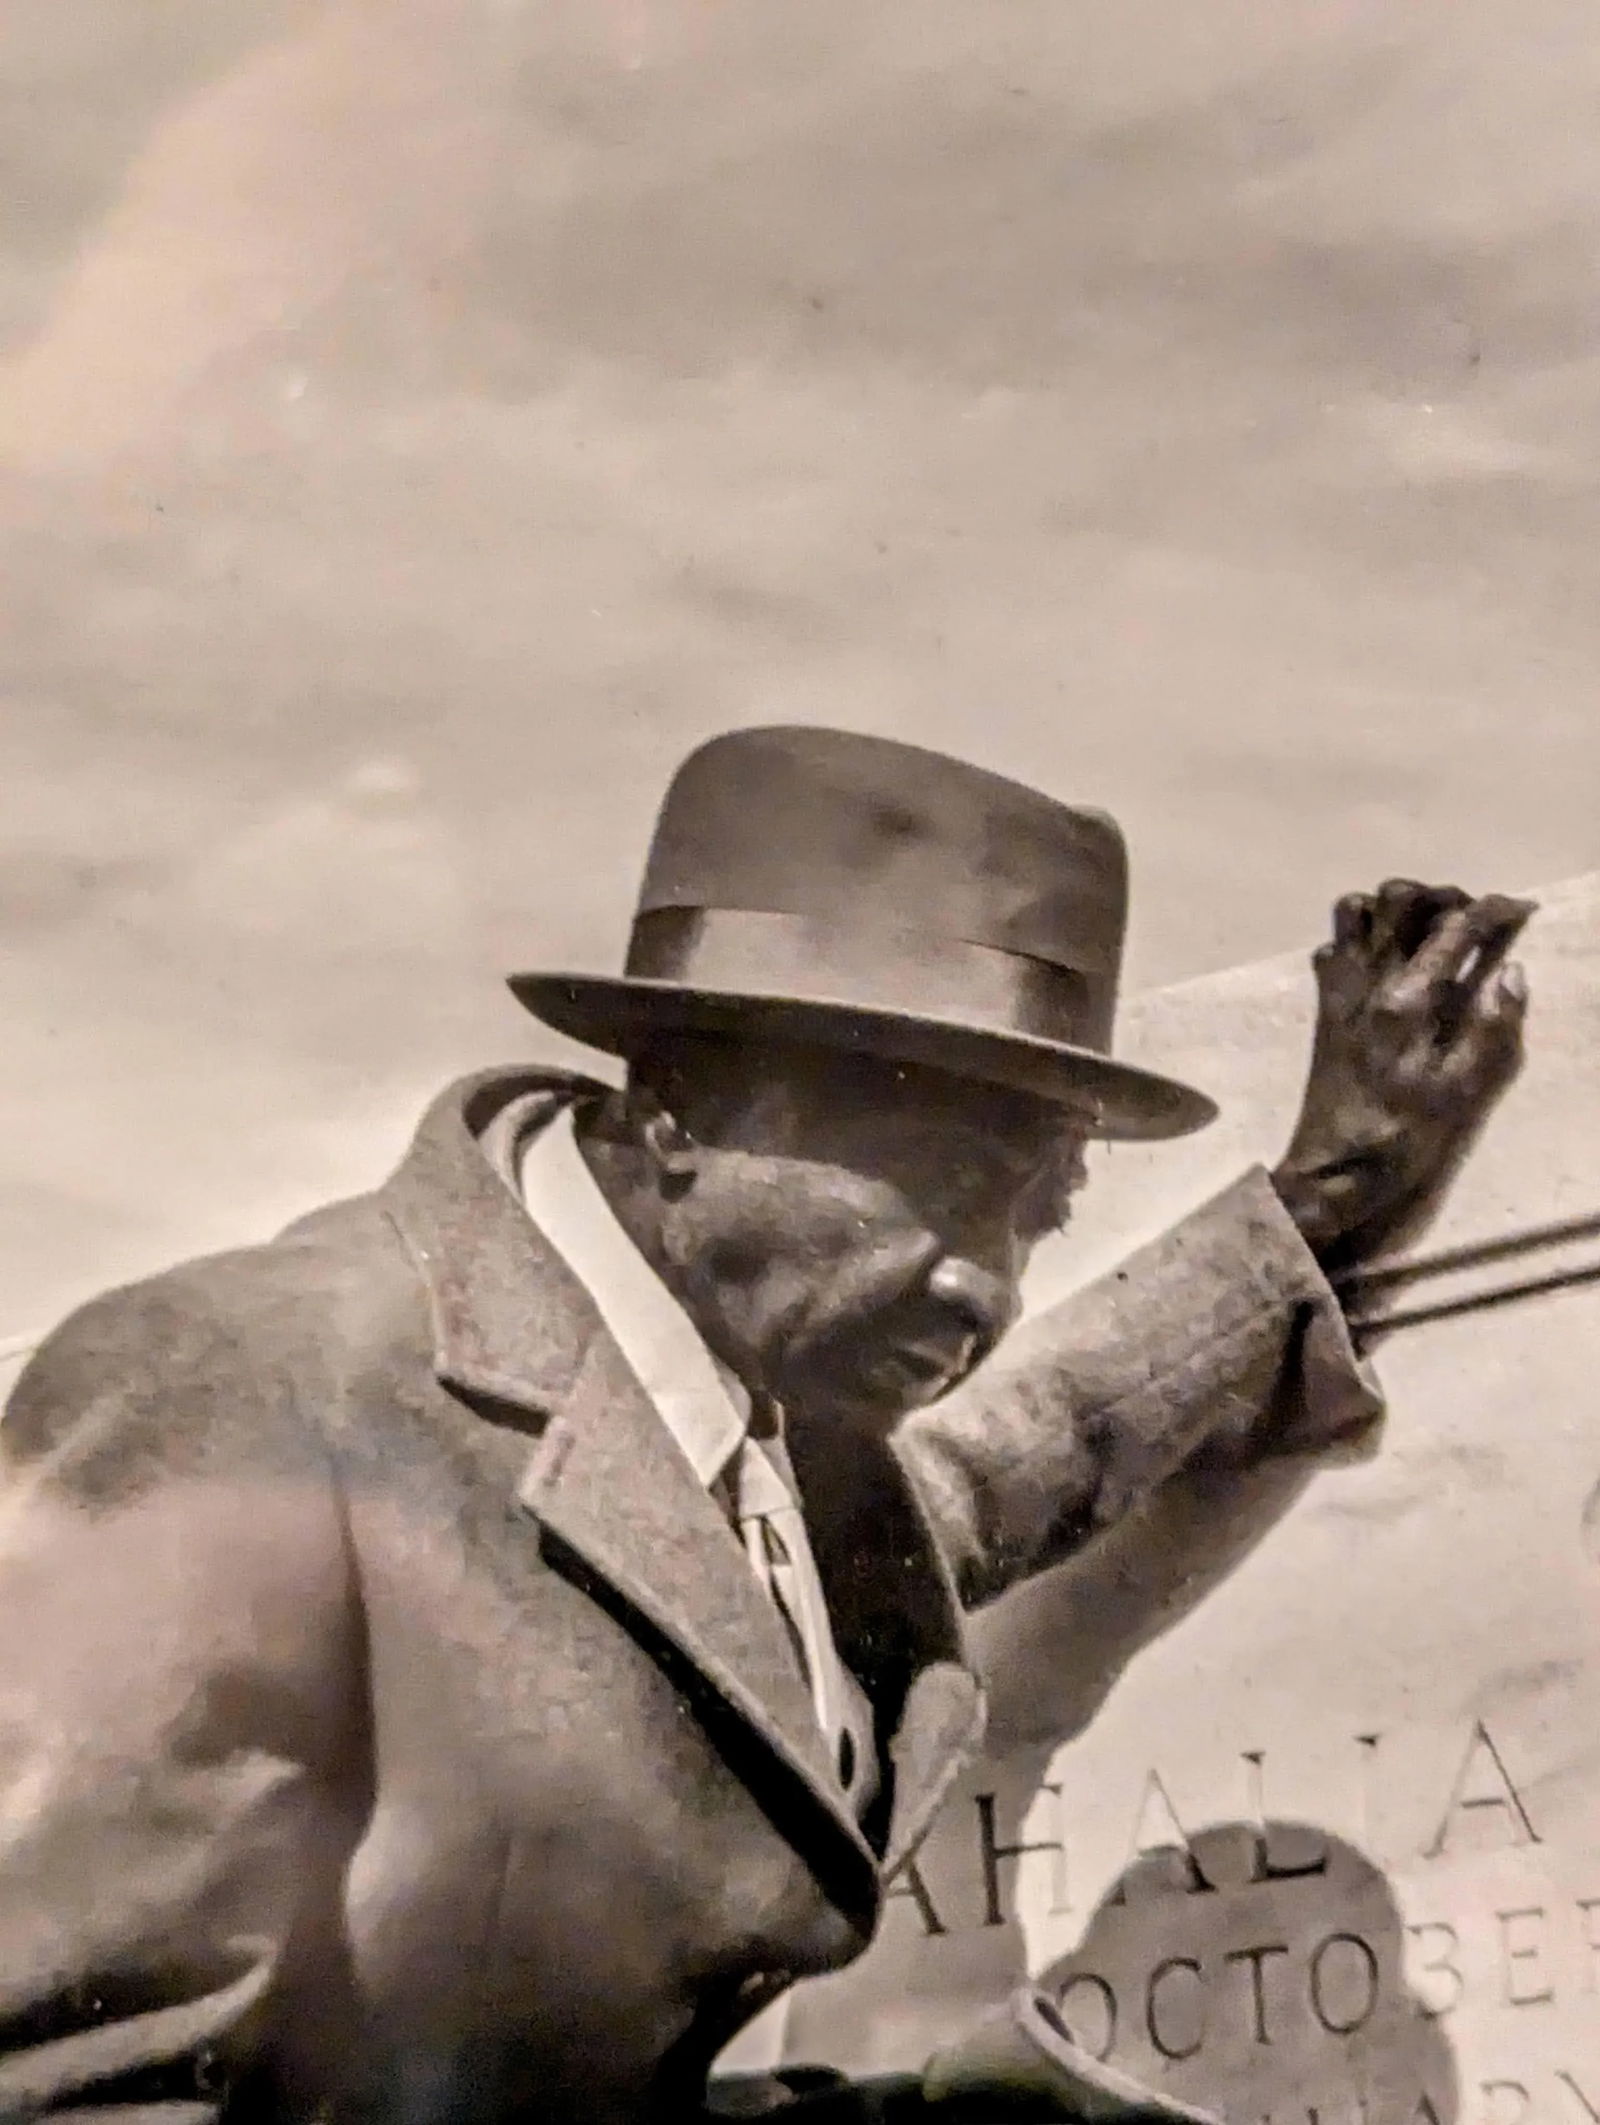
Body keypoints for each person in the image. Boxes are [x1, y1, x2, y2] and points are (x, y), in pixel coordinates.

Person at [0, 727, 1530, 2125]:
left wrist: (1328, 1198)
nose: (989, 1281)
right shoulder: (239, 1388)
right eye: (946, 1181)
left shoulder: (765, 1429)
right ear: (684, 1110)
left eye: (1038, 1209)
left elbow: (998, 1467)